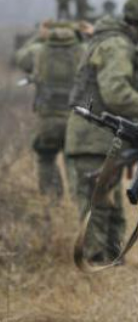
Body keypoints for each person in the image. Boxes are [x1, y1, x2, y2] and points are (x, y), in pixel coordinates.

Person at [65, 0, 138, 264]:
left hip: (99, 139)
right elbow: (116, 92)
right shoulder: (117, 46)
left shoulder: (112, 41)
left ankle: (112, 260)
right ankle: (97, 263)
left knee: (108, 203)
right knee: (97, 204)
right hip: (93, 139)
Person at [14, 21, 88, 201]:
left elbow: (20, 58)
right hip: (77, 118)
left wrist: (39, 36)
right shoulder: (84, 51)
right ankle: (79, 203)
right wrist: (81, 35)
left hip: (48, 119)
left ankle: (52, 201)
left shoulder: (38, 51)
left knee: (46, 157)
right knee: (75, 160)